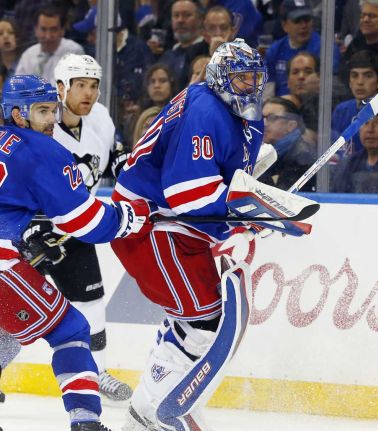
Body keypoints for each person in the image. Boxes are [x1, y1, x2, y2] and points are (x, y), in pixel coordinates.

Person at [0, 74, 154, 431]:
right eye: (41, 111)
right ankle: (86, 422)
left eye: (53, 109)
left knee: (0, 340)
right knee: (70, 330)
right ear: (17, 114)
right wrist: (129, 219)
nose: (51, 119)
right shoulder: (45, 149)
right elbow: (85, 222)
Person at [111, 39, 278, 430]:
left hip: (174, 225)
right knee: (202, 321)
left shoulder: (240, 112)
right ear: (220, 77)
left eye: (256, 78)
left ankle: (145, 411)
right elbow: (187, 192)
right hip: (151, 223)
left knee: (195, 318)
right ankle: (158, 408)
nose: (251, 87)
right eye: (241, 79)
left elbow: (224, 172)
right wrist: (244, 213)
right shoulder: (204, 108)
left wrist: (245, 189)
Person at [19, 54, 134, 402]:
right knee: (10, 313)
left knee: (92, 301)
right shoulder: (41, 124)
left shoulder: (98, 116)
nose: (88, 93)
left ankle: (96, 371)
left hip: (77, 223)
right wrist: (31, 231)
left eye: (94, 85)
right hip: (30, 228)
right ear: (61, 88)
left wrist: (128, 168)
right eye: (80, 85)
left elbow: (113, 155)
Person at [264, 0, 340, 97]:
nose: (304, 26)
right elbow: (267, 90)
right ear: (284, 25)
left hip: (313, 105)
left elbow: (331, 89)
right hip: (281, 105)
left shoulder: (327, 49)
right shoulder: (275, 50)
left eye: (307, 20)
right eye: (297, 21)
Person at [331, 50, 378, 159]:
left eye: (367, 76)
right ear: (349, 81)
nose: (360, 82)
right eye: (354, 75)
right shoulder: (341, 110)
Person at [15, 7, 85, 84]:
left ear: (62, 31)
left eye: (53, 30)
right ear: (36, 30)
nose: (48, 36)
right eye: (43, 29)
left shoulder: (74, 52)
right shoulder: (28, 56)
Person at [261, 97, 317, 191]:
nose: (264, 123)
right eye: (262, 118)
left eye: (272, 118)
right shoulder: (272, 152)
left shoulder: (301, 156)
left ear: (291, 125)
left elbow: (283, 199)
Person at [158, 0, 209, 86]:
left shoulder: (207, 51)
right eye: (176, 15)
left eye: (187, 15)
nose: (180, 20)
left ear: (200, 19)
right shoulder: (167, 56)